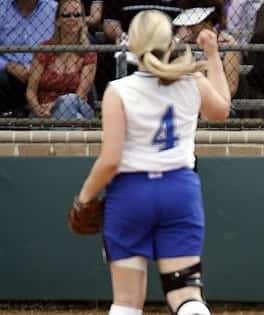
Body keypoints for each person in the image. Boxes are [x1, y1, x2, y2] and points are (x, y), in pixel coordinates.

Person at [73, 10, 230, 315]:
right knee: (185, 296)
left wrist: (84, 198)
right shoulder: (192, 80)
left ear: (131, 46)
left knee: (127, 302)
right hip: (180, 190)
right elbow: (221, 110)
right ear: (170, 42)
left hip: (131, 194)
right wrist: (212, 54)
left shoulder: (118, 91)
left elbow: (110, 161)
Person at [26, 0, 97, 120]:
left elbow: (80, 95)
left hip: (77, 107)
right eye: (66, 15)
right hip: (44, 112)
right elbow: (30, 91)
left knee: (70, 100)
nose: (72, 18)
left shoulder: (88, 53)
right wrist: (37, 108)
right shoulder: (45, 49)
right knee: (77, 119)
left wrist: (54, 105)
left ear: (82, 20)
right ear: (58, 21)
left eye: (77, 15)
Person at [173, 0, 242, 99]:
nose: (188, 27)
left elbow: (231, 88)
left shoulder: (227, 44)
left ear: (208, 22)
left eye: (193, 24)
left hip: (218, 100)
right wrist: (178, 41)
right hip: (187, 100)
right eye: (187, 24)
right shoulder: (182, 43)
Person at [0, 0, 57, 117]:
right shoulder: (1, 7)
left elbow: (66, 44)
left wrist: (39, 67)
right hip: (8, 73)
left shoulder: (53, 8)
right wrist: (7, 65)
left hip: (45, 71)